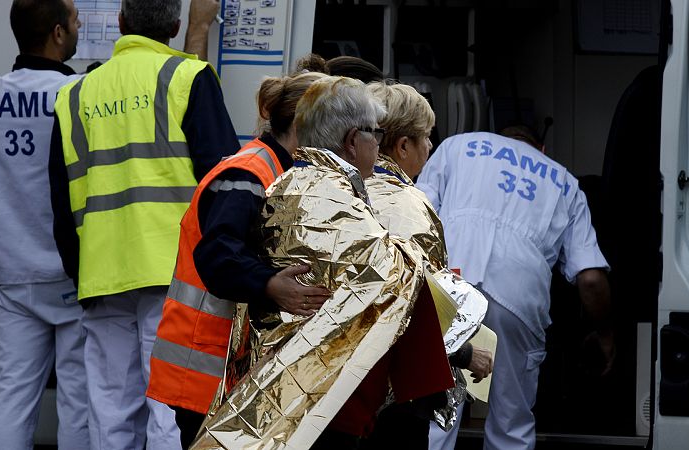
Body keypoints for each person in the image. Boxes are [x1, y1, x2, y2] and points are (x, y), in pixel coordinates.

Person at [190, 76, 453, 450]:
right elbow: (396, 277)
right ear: (351, 141)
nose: (378, 146)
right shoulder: (333, 198)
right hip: (320, 396)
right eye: (374, 135)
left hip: (286, 388)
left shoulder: (291, 183)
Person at [48, 0, 240, 447]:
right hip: (176, 274)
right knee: (169, 410)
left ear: (119, 23)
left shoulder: (74, 95)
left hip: (102, 272)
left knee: (110, 412)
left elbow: (61, 200)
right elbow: (223, 182)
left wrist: (81, 271)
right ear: (175, 26)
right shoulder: (188, 78)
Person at [146, 71, 331, 449]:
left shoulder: (278, 169)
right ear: (303, 124)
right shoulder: (248, 173)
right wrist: (270, 284)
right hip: (206, 370)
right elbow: (218, 256)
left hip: (225, 369)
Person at [416, 130, 615, 450]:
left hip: (451, 282)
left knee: (436, 417)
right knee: (511, 424)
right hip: (518, 298)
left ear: (498, 137)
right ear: (542, 148)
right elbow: (590, 280)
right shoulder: (565, 183)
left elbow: (418, 214)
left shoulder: (459, 145)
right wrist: (605, 334)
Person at [0, 1, 87, 449]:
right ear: (57, 33)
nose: (78, 28)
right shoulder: (78, 93)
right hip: (72, 275)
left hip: (10, 274)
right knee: (80, 402)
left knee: (11, 401)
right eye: (74, 21)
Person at [360, 81, 493, 450]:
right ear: (403, 146)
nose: (431, 147)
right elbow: (413, 309)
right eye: (427, 138)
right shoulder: (409, 206)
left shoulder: (346, 190)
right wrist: (465, 354)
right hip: (396, 392)